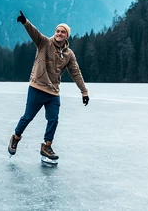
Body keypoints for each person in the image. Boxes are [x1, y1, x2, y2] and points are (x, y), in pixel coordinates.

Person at [8, 11, 89, 161]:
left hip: (53, 92)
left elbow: (76, 73)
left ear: (67, 36)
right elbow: (35, 33)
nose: (59, 33)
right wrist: (26, 22)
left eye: (63, 32)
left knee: (53, 119)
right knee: (28, 117)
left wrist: (84, 92)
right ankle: (16, 137)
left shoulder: (69, 54)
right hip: (37, 87)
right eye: (58, 31)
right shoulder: (44, 43)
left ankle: (47, 146)